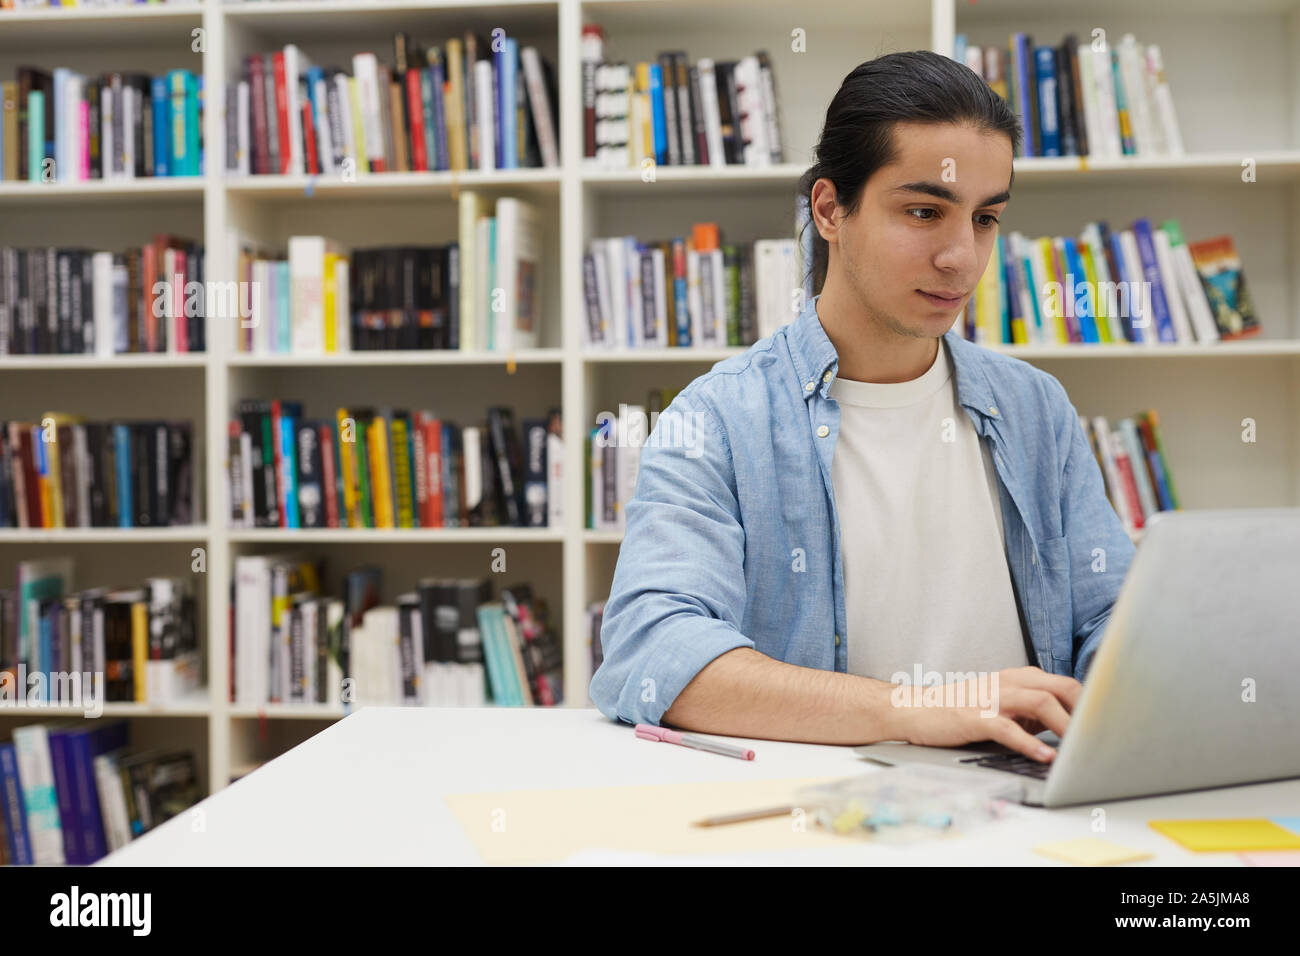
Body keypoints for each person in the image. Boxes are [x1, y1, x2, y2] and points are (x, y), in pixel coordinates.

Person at [589, 50, 1135, 763]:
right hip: (825, 818)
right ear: (829, 210)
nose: (962, 258)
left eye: (985, 218)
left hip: (1024, 803)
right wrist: (917, 710)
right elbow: (652, 651)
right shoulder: (717, 420)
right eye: (923, 211)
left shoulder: (1036, 409)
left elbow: (1114, 622)